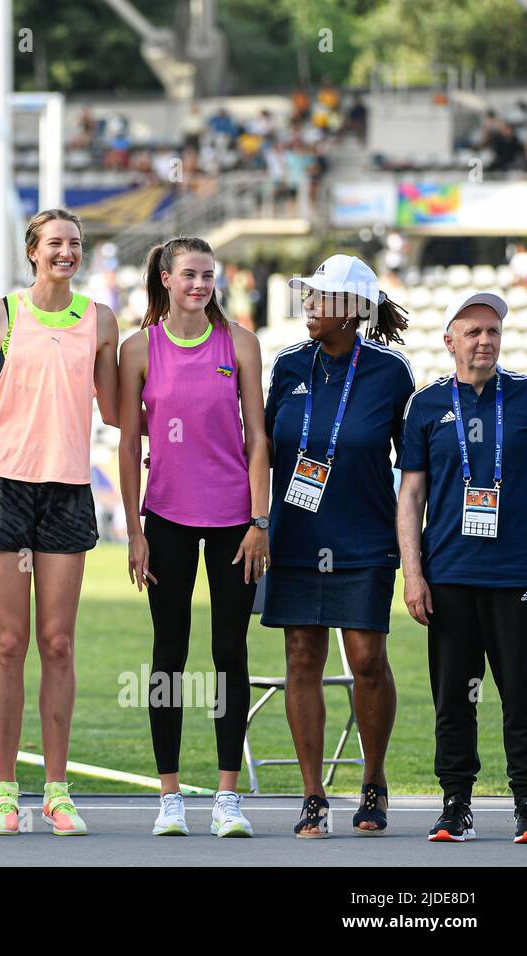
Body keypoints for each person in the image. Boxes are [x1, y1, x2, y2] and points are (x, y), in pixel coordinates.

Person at [0, 208, 121, 836]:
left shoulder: (100, 319)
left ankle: (57, 791)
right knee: (9, 644)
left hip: (67, 490)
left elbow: (114, 408)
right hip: (4, 485)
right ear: (32, 251)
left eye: (75, 244)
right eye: (55, 243)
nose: (67, 252)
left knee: (57, 644)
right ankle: (5, 793)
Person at [118, 236, 270, 838]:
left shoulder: (241, 343)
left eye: (209, 275)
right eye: (189, 274)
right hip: (167, 520)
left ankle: (228, 798)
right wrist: (133, 530)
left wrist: (260, 521)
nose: (201, 284)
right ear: (164, 277)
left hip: (235, 520)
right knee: (169, 655)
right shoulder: (138, 349)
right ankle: (171, 797)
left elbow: (258, 439)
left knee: (230, 654)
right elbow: (131, 445)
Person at [265, 255, 414, 837]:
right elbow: (261, 448)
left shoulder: (390, 372)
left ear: (352, 310)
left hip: (364, 538)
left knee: (368, 662)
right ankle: (312, 795)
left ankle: (373, 782)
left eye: (322, 297)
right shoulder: (286, 365)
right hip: (296, 536)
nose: (310, 303)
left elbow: (415, 464)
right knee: (301, 657)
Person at [398, 290, 527, 844]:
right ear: (449, 339)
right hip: (448, 575)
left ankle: (526, 803)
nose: (485, 340)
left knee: (522, 696)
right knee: (455, 697)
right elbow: (411, 497)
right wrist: (413, 571)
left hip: (516, 576)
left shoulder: (523, 396)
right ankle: (456, 806)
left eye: (493, 330)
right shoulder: (427, 405)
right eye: (472, 331)